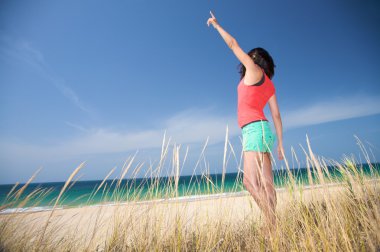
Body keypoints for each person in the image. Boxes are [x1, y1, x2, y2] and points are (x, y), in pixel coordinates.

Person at [207, 11, 284, 234]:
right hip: (265, 131)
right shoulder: (269, 84)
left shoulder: (252, 70)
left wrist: (216, 24)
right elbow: (277, 114)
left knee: (250, 182)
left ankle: (272, 224)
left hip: (253, 130)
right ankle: (272, 229)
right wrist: (279, 142)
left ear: (254, 59)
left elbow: (233, 44)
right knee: (268, 186)